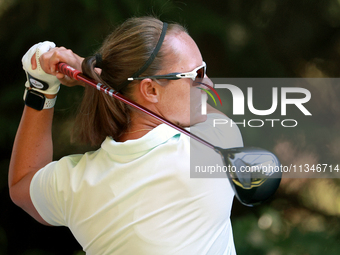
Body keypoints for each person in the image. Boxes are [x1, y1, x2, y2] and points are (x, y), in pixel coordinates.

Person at [9, 16, 243, 254]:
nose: (209, 83)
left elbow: (21, 184)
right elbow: (212, 115)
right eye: (197, 75)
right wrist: (84, 69)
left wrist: (41, 86)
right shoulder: (210, 150)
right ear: (150, 89)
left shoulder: (75, 185)